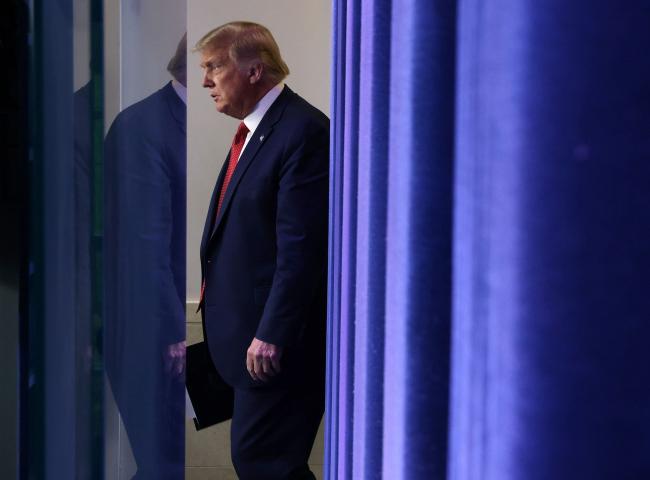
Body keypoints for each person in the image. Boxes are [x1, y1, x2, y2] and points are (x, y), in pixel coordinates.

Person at [194, 21, 329, 480]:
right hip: (240, 342)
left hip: (273, 347)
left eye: (214, 67)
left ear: (254, 71)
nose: (205, 81)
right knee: (263, 463)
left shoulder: (303, 130)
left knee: (265, 463)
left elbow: (301, 247)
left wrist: (272, 333)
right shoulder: (254, 132)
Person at [104, 34, 187, 479]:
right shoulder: (144, 126)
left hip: (184, 332)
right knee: (165, 464)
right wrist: (175, 329)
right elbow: (145, 243)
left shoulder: (196, 121)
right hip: (154, 336)